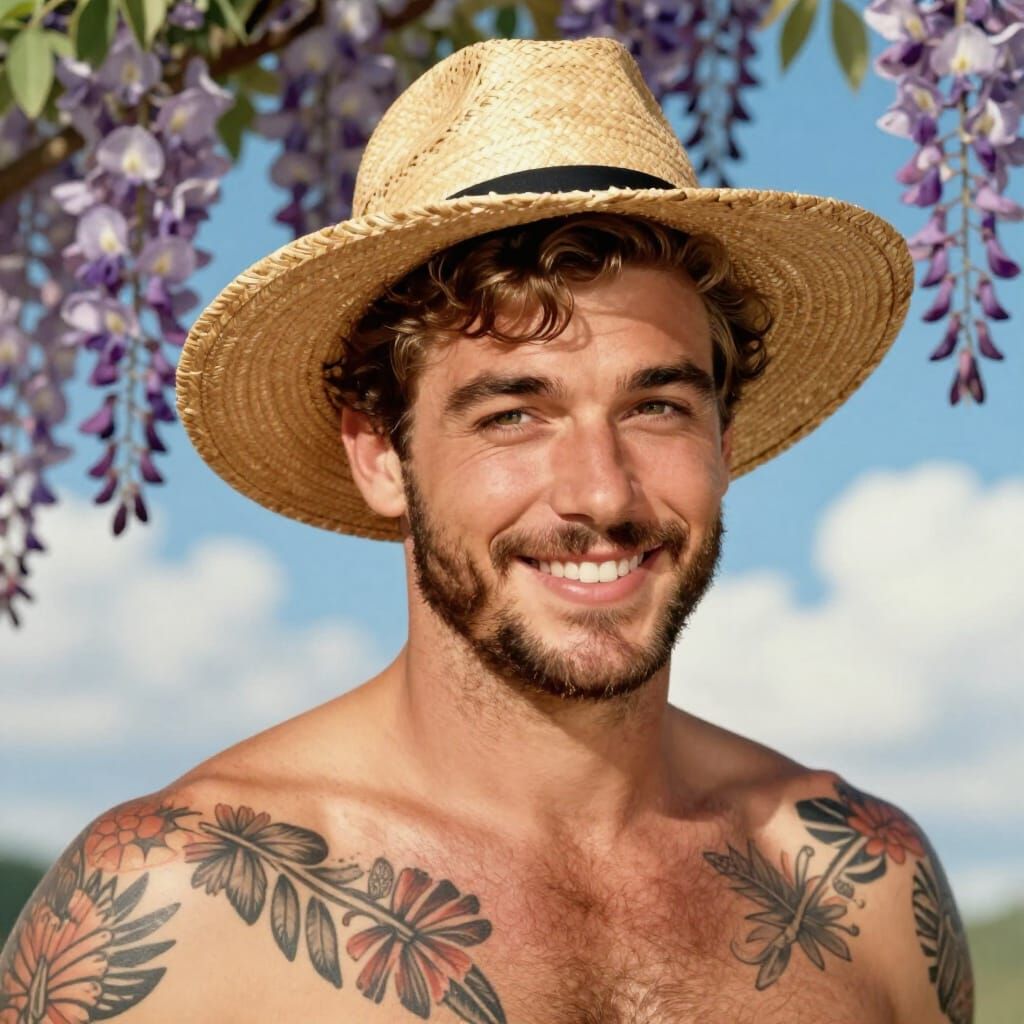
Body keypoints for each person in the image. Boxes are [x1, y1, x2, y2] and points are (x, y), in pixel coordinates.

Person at [0, 36, 973, 1024]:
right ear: (381, 453)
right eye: (514, 414)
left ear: (724, 437)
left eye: (656, 407)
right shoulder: (169, 903)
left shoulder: (863, 887)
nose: (600, 493)